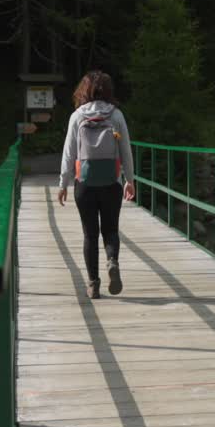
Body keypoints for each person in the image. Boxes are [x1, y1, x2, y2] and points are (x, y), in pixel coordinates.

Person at [57, 70, 137, 299]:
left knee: (89, 235)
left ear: (83, 90)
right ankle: (112, 260)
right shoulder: (117, 115)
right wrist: (129, 180)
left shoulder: (77, 116)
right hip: (111, 182)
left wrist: (63, 183)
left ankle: (93, 284)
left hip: (85, 183)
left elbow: (69, 153)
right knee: (110, 230)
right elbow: (126, 151)